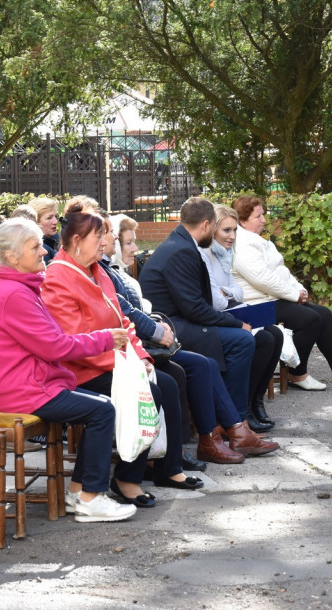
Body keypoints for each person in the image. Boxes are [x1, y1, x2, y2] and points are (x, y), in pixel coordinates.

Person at [0, 218, 137, 523]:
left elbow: (51, 344)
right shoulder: (13, 294)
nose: (44, 252)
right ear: (12, 257)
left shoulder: (19, 288)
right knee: (102, 411)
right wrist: (105, 339)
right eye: (35, 247)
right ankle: (90, 499)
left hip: (29, 385)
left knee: (102, 407)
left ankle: (79, 491)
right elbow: (55, 347)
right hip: (22, 392)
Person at [43, 202, 199, 505]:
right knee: (147, 391)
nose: (106, 243)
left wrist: (141, 357)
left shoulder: (95, 271)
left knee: (164, 384)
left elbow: (123, 321)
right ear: (77, 241)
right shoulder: (57, 277)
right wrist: (130, 369)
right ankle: (126, 479)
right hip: (80, 369)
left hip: (113, 361)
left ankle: (160, 468)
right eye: (99, 237)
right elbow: (74, 340)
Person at [99, 213, 277, 464]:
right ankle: (224, 431)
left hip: (157, 330)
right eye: (121, 241)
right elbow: (187, 307)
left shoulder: (110, 269)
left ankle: (229, 430)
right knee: (232, 345)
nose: (133, 247)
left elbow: (133, 310)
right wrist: (157, 332)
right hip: (153, 334)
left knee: (240, 347)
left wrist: (155, 329)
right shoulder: (179, 250)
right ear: (206, 225)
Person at [231, 196, 332, 390]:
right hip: (255, 305)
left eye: (263, 214)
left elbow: (281, 271)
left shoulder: (260, 241)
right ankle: (296, 374)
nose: (264, 220)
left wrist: (299, 289)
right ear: (243, 220)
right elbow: (262, 279)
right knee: (309, 318)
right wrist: (293, 295)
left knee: (323, 314)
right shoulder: (242, 244)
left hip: (274, 298)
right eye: (258, 216)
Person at [138, 197, 257, 425]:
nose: (213, 233)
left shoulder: (181, 244)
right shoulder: (181, 251)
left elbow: (196, 306)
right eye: (214, 227)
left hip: (177, 320)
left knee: (245, 339)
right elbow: (195, 309)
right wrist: (234, 322)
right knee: (242, 340)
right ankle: (235, 422)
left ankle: (232, 420)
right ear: (205, 225)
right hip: (169, 327)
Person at [202, 205, 284, 429]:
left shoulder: (225, 254)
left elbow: (236, 291)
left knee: (275, 334)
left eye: (235, 230)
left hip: (231, 311)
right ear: (213, 229)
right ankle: (244, 408)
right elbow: (215, 300)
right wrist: (226, 292)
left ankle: (256, 401)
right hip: (213, 320)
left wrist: (225, 291)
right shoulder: (206, 254)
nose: (232, 236)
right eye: (226, 231)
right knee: (263, 340)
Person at [29, 197, 60, 261]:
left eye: (56, 216)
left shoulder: (59, 240)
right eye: (49, 218)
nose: (55, 221)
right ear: (35, 222)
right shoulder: (41, 251)